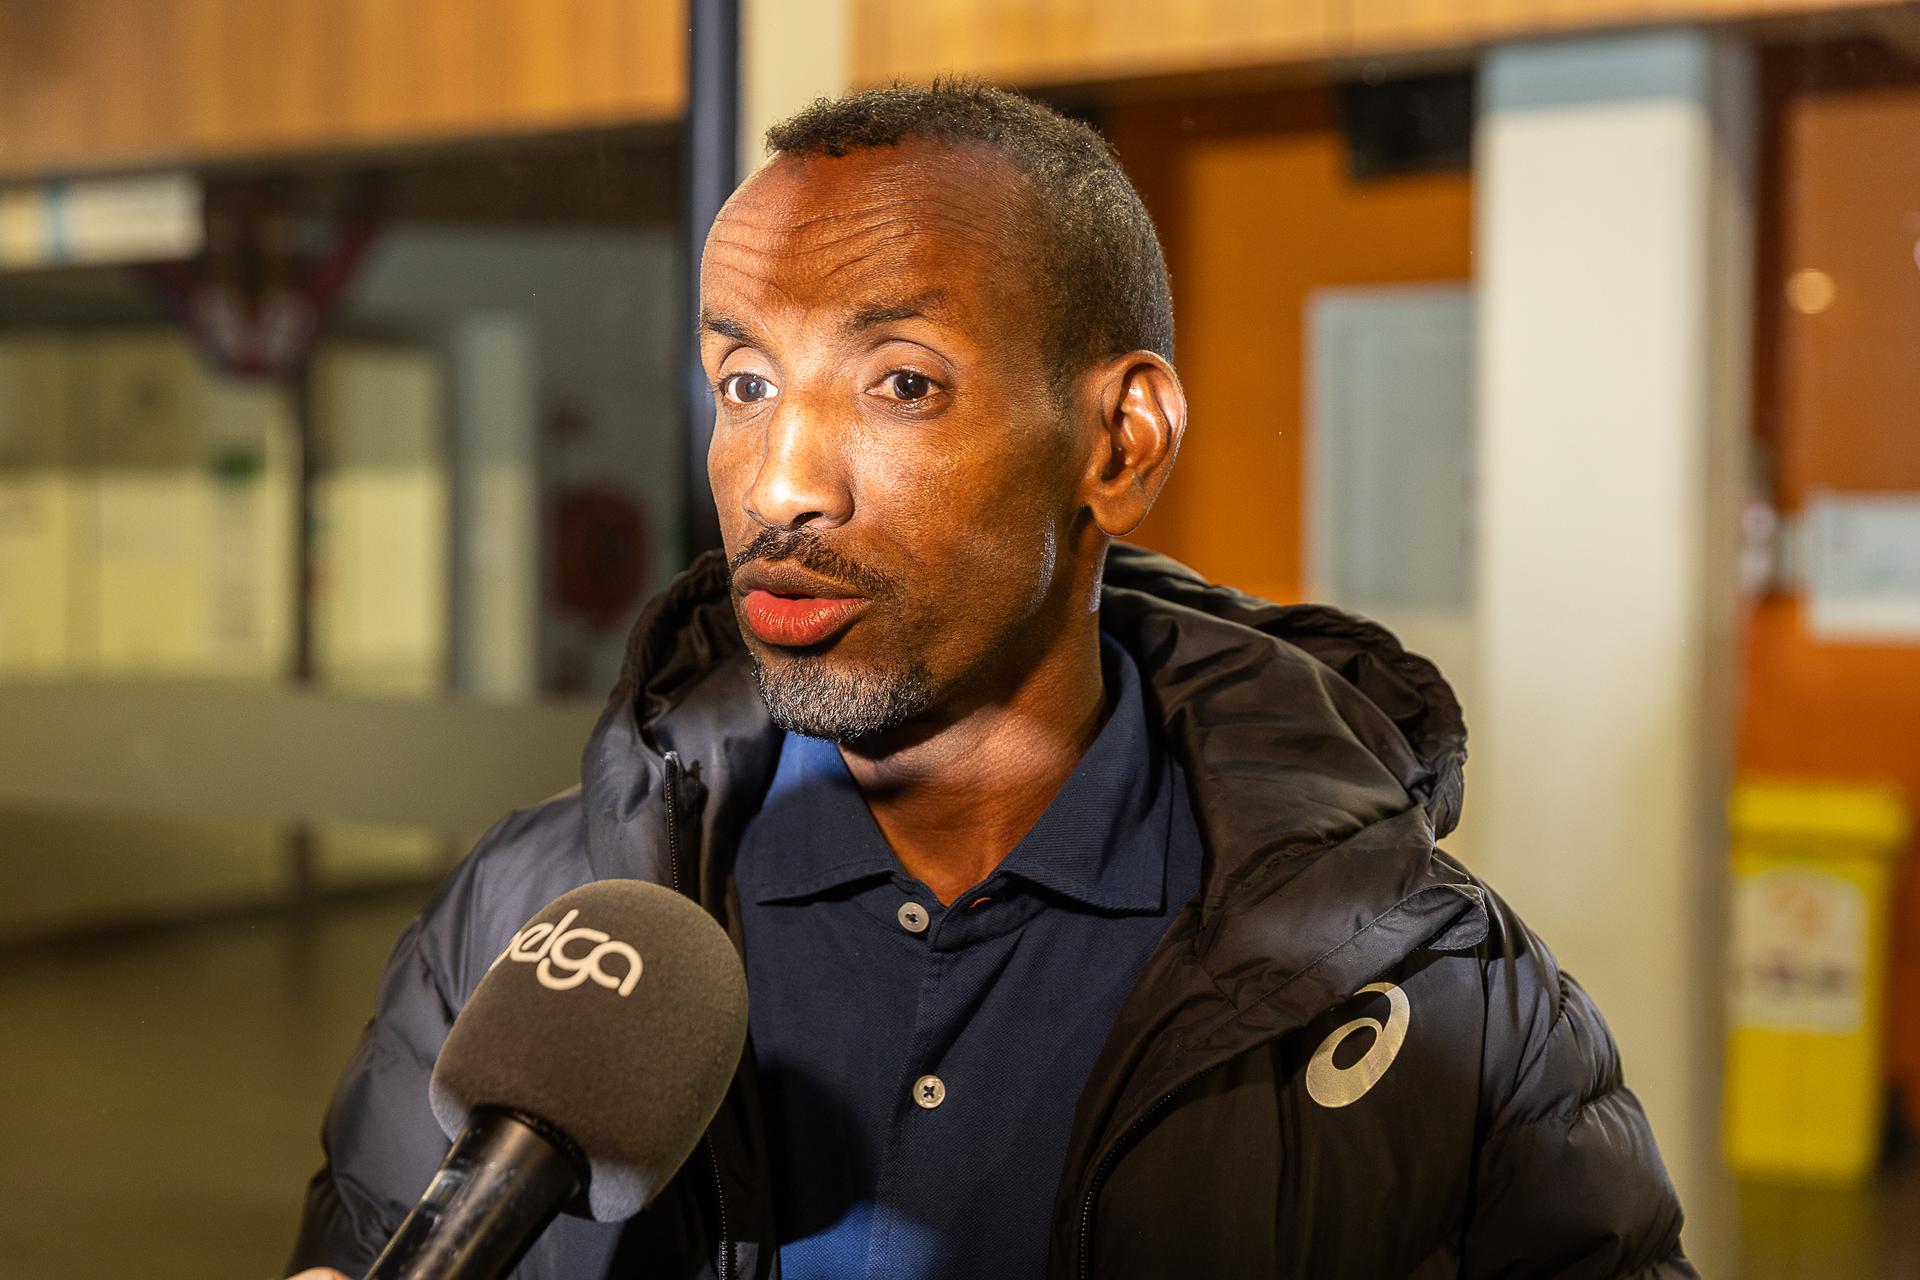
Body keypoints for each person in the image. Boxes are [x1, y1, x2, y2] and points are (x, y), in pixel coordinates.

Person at [287, 80, 1694, 1280]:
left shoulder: (1441, 995)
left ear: (1120, 445)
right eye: (745, 382)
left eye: (901, 383)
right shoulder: (531, 916)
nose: (778, 482)